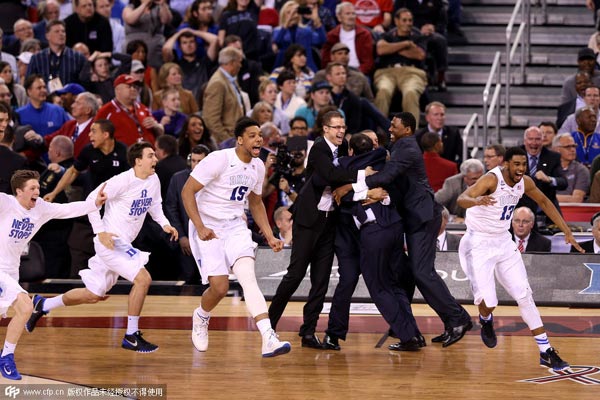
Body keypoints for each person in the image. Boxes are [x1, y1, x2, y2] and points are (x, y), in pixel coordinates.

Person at [26, 142, 178, 354]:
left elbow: (155, 206)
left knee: (93, 294)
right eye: (151, 155)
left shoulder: (153, 179)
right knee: (143, 279)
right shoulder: (120, 181)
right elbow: (91, 201)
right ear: (138, 161)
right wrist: (100, 232)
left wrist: (164, 224)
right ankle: (131, 335)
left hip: (123, 245)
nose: (155, 159)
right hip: (111, 244)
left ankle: (43, 305)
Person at [348, 112, 472, 347]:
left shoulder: (406, 147)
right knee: (416, 272)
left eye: (394, 126)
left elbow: (388, 176)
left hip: (423, 217)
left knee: (422, 272)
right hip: (416, 217)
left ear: (407, 128)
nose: (390, 129)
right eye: (390, 125)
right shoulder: (400, 145)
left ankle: (458, 318)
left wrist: (352, 184)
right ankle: (448, 321)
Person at [456, 146, 581, 371]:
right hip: (478, 244)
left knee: (524, 295)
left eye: (524, 164)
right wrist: (476, 202)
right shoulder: (490, 180)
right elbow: (462, 198)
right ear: (506, 164)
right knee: (490, 303)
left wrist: (567, 231)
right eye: (517, 164)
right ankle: (485, 319)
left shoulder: (525, 182)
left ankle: (545, 351)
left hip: (504, 242)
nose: (521, 168)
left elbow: (544, 202)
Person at [181, 117, 291, 357]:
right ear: (239, 140)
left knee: (248, 278)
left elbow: (255, 202)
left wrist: (270, 234)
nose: (258, 139)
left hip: (235, 226)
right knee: (219, 288)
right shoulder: (219, 159)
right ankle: (201, 316)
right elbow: (187, 191)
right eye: (252, 135)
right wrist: (199, 226)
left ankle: (268, 337)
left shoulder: (258, 166)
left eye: (259, 134)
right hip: (208, 227)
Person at [0, 169, 107, 380]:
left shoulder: (40, 208)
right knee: (25, 306)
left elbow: (66, 209)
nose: (37, 191)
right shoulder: (5, 202)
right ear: (19, 191)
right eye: (32, 188)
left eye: (38, 188)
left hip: (12, 270)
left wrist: (93, 204)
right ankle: (7, 359)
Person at [268, 110, 358, 349]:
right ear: (325, 129)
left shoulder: (343, 145)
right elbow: (330, 174)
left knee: (321, 281)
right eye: (336, 127)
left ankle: (308, 332)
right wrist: (358, 176)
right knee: (295, 275)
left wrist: (346, 179)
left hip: (329, 222)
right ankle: (268, 325)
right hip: (308, 221)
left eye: (343, 127)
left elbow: (336, 174)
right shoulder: (319, 147)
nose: (341, 131)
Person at [165, 144, 210, 283]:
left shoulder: (215, 180)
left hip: (209, 237)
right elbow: (171, 209)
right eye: (194, 161)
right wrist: (182, 237)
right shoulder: (178, 179)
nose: (195, 165)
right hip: (187, 239)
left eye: (200, 161)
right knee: (188, 276)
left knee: (210, 277)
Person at [95, 74, 164, 146]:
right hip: (123, 155)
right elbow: (97, 136)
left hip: (148, 153)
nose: (133, 89)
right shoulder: (106, 111)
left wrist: (156, 126)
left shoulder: (143, 108)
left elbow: (160, 132)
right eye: (129, 86)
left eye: (134, 86)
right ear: (118, 90)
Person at [517, 126, 567, 225]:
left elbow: (563, 182)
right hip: (520, 211)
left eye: (537, 139)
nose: (534, 143)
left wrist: (549, 179)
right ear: (525, 140)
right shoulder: (516, 155)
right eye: (530, 139)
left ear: (542, 141)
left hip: (546, 212)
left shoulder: (553, 157)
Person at [554, 133, 590, 203]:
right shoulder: (549, 168)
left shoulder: (581, 170)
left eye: (574, 146)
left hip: (572, 211)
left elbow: (577, 199)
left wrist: (548, 197)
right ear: (557, 149)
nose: (572, 150)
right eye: (568, 147)